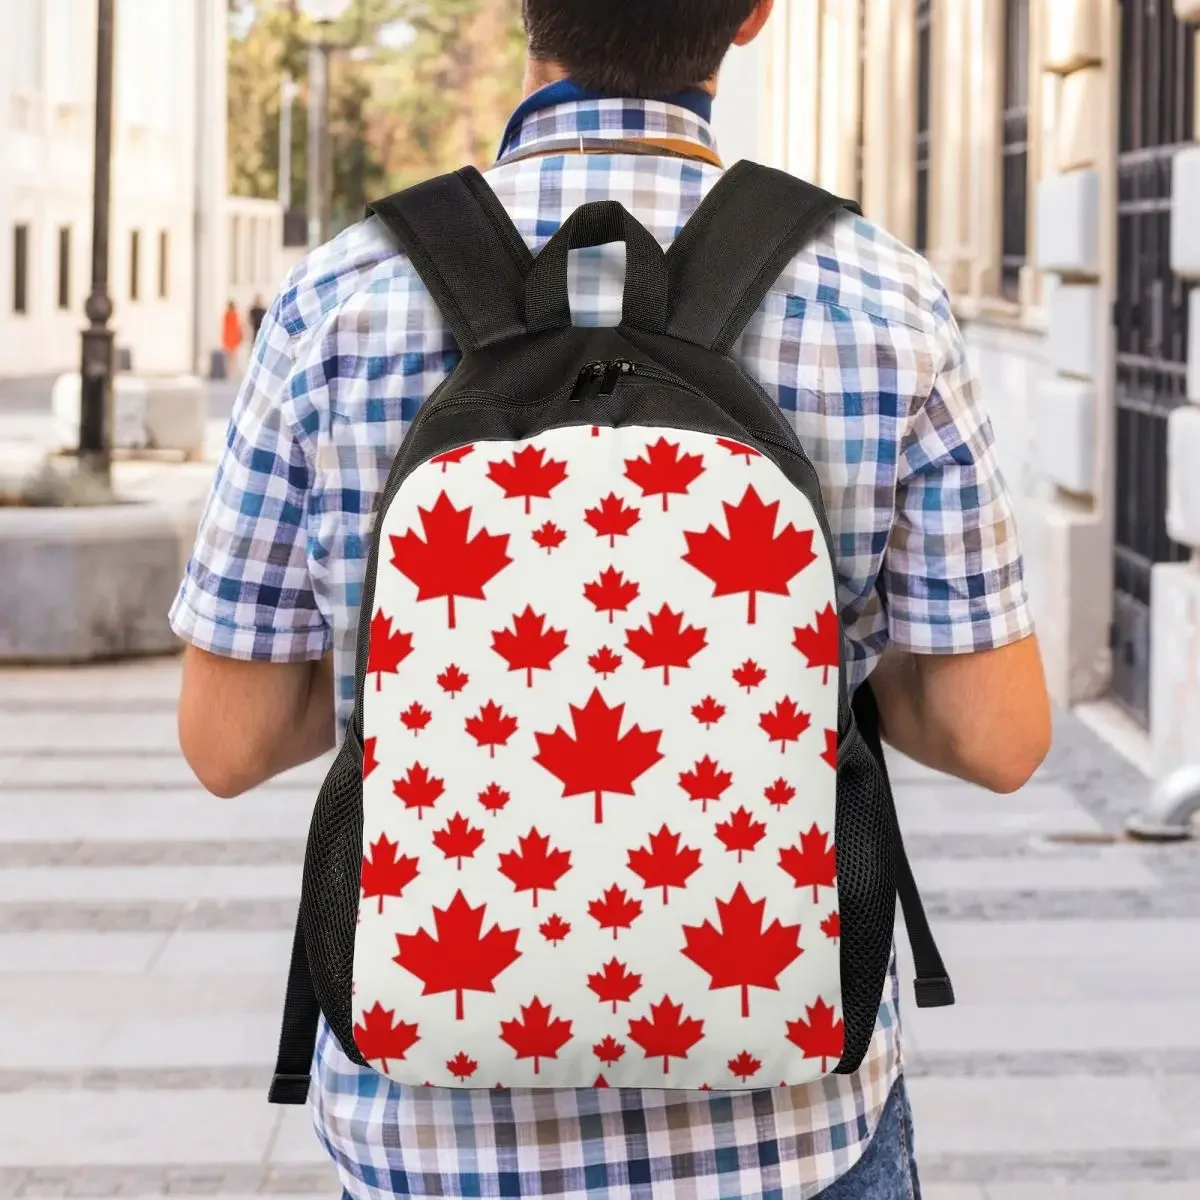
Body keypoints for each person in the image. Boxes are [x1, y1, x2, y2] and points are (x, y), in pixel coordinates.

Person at [171, 2, 1052, 1196]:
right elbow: (996, 736)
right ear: (753, 17)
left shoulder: (340, 297)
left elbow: (228, 742)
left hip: (433, 1127)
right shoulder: (879, 294)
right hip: (786, 1127)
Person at [221, 299, 243, 374]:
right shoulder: (232, 315)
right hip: (232, 336)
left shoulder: (228, 315)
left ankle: (230, 370)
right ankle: (231, 370)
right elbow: (237, 326)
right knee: (232, 355)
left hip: (230, 336)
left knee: (230, 355)